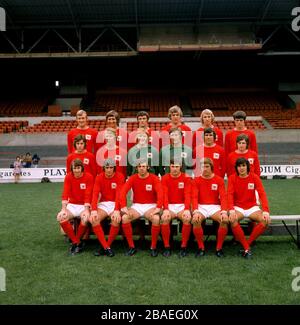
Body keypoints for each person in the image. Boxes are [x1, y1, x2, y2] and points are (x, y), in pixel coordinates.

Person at [227, 157, 271, 258]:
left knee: (265, 220)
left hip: (252, 207)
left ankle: (246, 244)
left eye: (243, 165)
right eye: (239, 166)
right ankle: (247, 247)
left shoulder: (254, 177)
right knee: (232, 219)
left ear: (247, 167)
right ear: (236, 168)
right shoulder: (232, 178)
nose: (241, 168)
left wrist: (265, 211)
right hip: (238, 207)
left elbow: (262, 194)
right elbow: (229, 195)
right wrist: (231, 210)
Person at [119, 159, 163, 257]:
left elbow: (160, 193)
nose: (142, 169)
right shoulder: (133, 178)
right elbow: (122, 192)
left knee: (156, 219)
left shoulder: (154, 178)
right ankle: (131, 247)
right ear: (137, 168)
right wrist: (124, 207)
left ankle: (153, 247)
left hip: (151, 205)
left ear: (148, 167)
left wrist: (158, 207)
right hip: (137, 206)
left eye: (143, 166)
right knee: (125, 218)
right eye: (139, 167)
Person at [191, 158, 228, 257]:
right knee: (196, 220)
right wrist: (195, 211)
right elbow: (194, 197)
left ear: (211, 167)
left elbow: (223, 197)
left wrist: (224, 211)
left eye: (207, 166)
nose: (205, 169)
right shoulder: (196, 180)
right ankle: (201, 247)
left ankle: (219, 248)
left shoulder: (219, 180)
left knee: (224, 220)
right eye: (203, 167)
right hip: (201, 207)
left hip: (215, 207)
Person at [56, 159, 94, 255]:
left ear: (82, 168)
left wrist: (86, 210)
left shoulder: (89, 177)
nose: (76, 170)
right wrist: (63, 209)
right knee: (60, 217)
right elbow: (65, 193)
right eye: (74, 168)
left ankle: (75, 242)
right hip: (72, 205)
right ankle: (76, 242)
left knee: (85, 218)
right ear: (71, 169)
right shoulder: (68, 177)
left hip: (84, 205)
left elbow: (88, 194)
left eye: (78, 168)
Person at [90, 159, 125, 257]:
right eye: (107, 168)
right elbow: (95, 194)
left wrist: (117, 210)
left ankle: (106, 246)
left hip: (116, 203)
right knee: (94, 219)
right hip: (104, 204)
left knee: (116, 220)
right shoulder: (99, 177)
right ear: (103, 168)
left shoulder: (120, 176)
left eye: (111, 168)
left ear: (114, 168)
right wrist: (93, 210)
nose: (109, 170)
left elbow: (119, 195)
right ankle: (107, 247)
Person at [161, 159, 192, 257]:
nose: (174, 169)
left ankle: (183, 247)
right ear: (169, 167)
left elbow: (187, 195)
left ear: (181, 167)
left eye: (177, 166)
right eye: (173, 166)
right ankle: (167, 247)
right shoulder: (164, 178)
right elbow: (164, 195)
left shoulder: (186, 178)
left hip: (182, 205)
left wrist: (187, 209)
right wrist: (165, 208)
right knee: (165, 218)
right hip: (169, 205)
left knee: (187, 218)